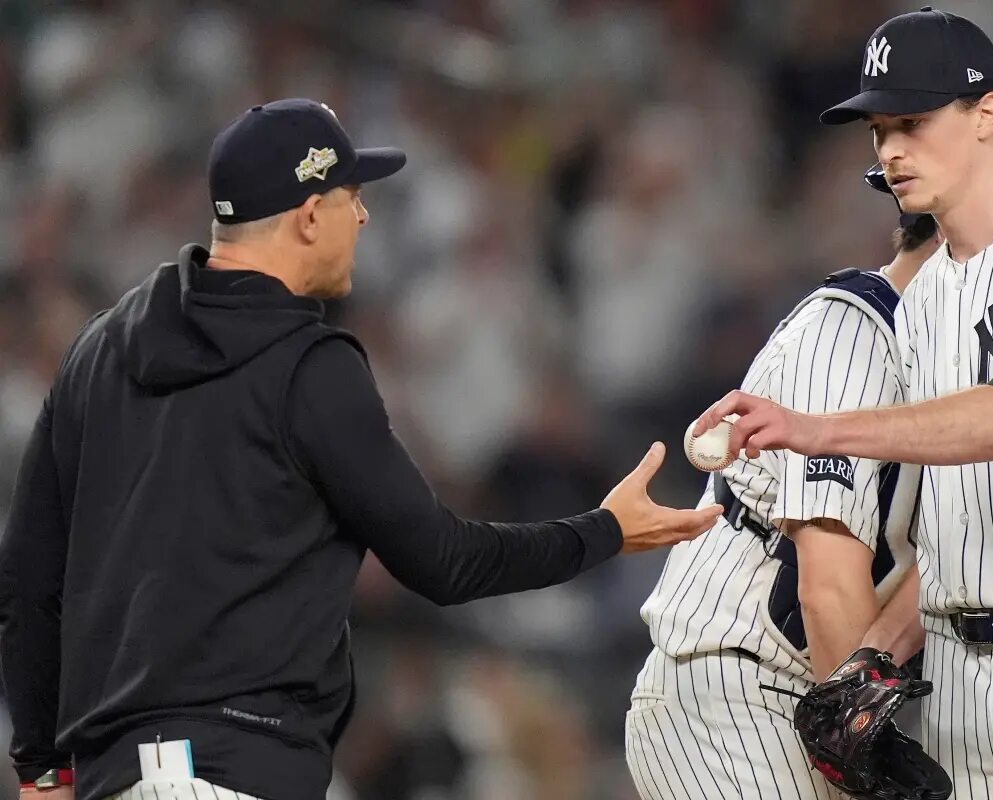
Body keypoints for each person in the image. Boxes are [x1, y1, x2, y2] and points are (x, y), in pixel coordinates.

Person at [0, 98, 723, 800]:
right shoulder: (306, 364)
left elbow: (30, 581)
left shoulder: (96, 350)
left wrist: (40, 769)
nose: (365, 214)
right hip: (228, 771)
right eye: (351, 195)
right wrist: (604, 532)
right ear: (311, 214)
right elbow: (445, 561)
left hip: (114, 777)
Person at [692, 8, 993, 798]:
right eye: (880, 128)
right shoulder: (922, 304)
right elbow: (956, 531)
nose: (891, 148)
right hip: (958, 675)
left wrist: (817, 429)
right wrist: (868, 659)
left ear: (988, 113)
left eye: (914, 122)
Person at [624, 163, 941, 798]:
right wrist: (866, 763)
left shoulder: (959, 368)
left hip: (802, 697)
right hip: (737, 692)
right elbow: (826, 590)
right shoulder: (855, 333)